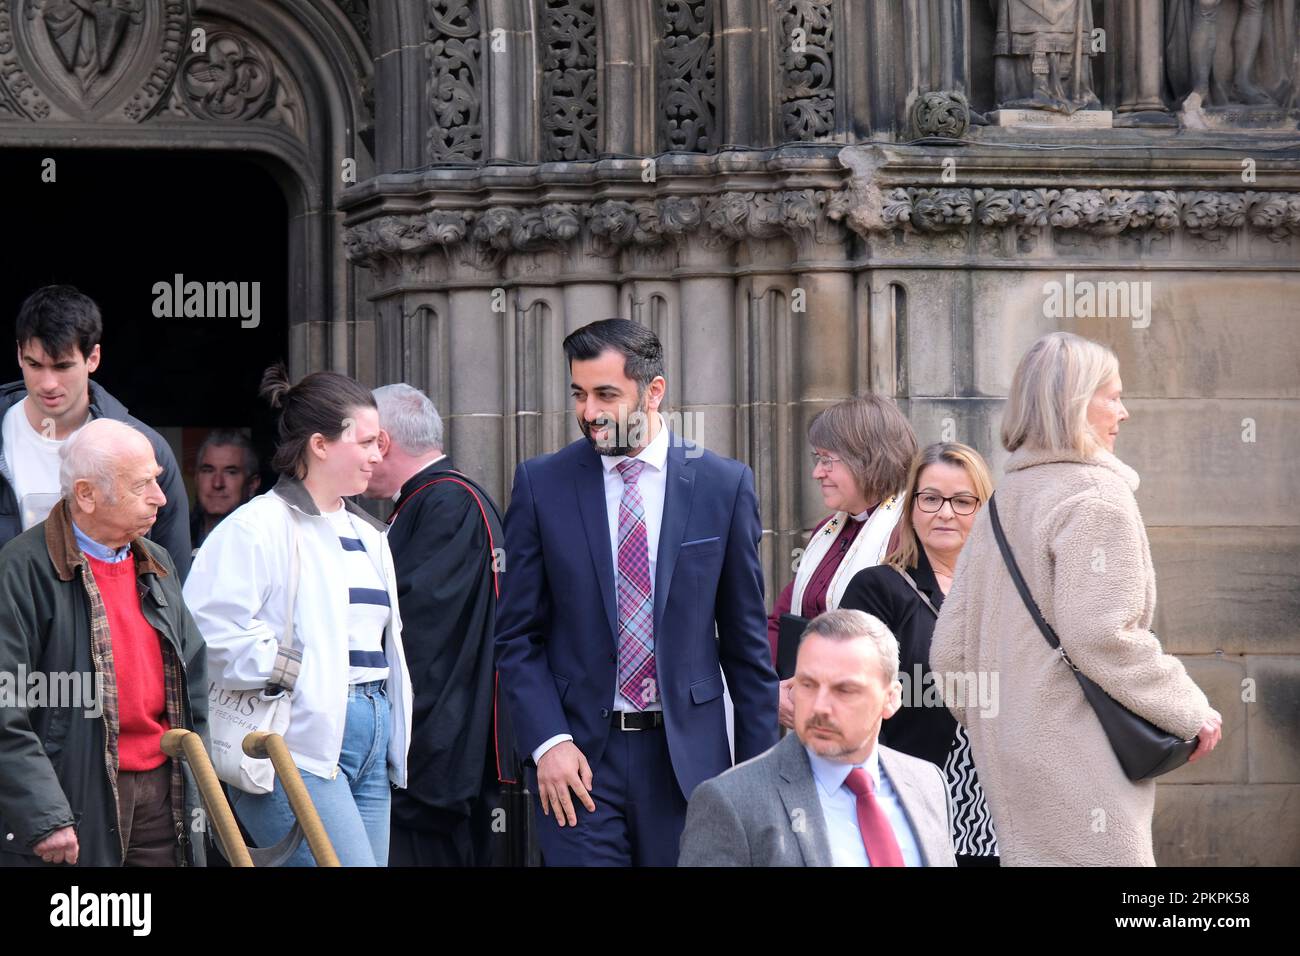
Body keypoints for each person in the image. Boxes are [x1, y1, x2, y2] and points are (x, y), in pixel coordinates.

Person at [930, 332, 1222, 866]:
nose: (1124, 412)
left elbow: (949, 652)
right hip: (1079, 757)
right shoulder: (1095, 495)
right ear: (1073, 404)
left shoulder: (1003, 500)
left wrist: (1003, 725)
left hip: (1008, 764)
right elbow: (1102, 636)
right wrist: (1188, 708)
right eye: (1111, 396)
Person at [495, 318, 779, 866]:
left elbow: (747, 652)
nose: (589, 412)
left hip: (690, 766)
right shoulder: (541, 484)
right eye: (579, 393)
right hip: (577, 765)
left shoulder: (723, 485)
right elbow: (516, 637)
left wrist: (760, 776)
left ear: (654, 391)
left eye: (606, 394)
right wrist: (548, 741)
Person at [184, 365, 414, 866]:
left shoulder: (371, 534)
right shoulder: (255, 526)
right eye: (368, 440)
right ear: (320, 444)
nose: (380, 454)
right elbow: (207, 634)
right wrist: (298, 673)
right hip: (293, 741)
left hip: (369, 738)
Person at [0, 419, 208, 866]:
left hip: (162, 792)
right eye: (141, 485)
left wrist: (199, 785)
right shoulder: (20, 570)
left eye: (157, 479)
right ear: (86, 494)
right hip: (72, 796)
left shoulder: (157, 562)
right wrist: (44, 813)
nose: (162, 497)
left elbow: (193, 685)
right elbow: (5, 706)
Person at [679, 609, 956, 867]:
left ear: (891, 698)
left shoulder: (927, 783)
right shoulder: (731, 802)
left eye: (845, 690)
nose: (820, 706)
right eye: (808, 685)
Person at [364, 383, 510, 867]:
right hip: (436, 760)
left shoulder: (447, 502)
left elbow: (423, 647)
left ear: (382, 442)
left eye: (365, 442)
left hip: (436, 766)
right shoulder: (433, 499)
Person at [840, 442, 999, 866]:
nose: (945, 512)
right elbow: (854, 700)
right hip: (914, 800)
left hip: (1003, 809)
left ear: (984, 511)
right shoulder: (877, 589)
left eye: (963, 501)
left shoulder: (1010, 595)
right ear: (912, 507)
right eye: (930, 498)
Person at [1, 285, 191, 578]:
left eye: (63, 366)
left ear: (93, 358)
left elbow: (172, 578)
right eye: (34, 364)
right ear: (18, 355)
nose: (48, 382)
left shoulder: (145, 449)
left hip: (108, 619)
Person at [769, 394, 917, 719]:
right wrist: (772, 687)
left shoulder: (909, 534)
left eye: (827, 460)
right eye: (817, 459)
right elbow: (782, 619)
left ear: (868, 459)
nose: (816, 473)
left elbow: (914, 644)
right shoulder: (830, 529)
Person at [191, 429, 261, 551]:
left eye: (231, 472)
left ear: (252, 484)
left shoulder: (267, 542)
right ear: (196, 478)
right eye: (208, 470)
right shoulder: (174, 538)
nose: (217, 483)